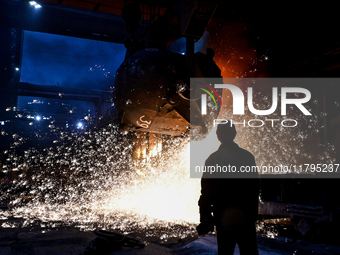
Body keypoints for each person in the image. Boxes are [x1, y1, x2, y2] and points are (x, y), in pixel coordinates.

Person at [198, 122, 259, 255]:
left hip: (223, 219)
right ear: (234, 134)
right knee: (249, 252)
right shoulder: (247, 157)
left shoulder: (212, 159)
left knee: (225, 252)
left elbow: (206, 192)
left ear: (218, 136)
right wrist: (253, 215)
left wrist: (205, 216)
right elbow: (254, 188)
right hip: (245, 218)